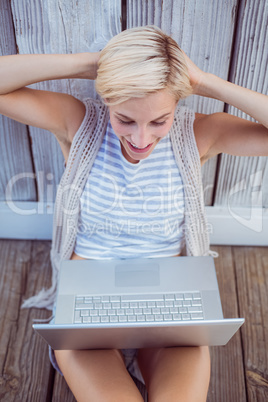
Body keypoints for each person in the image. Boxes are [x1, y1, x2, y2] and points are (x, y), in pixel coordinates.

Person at [0, 25, 267, 402]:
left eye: (159, 120)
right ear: (107, 99)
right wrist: (94, 65)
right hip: (90, 302)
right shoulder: (79, 124)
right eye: (125, 118)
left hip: (169, 302)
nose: (141, 140)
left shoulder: (199, 134)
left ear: (177, 104)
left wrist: (203, 81)